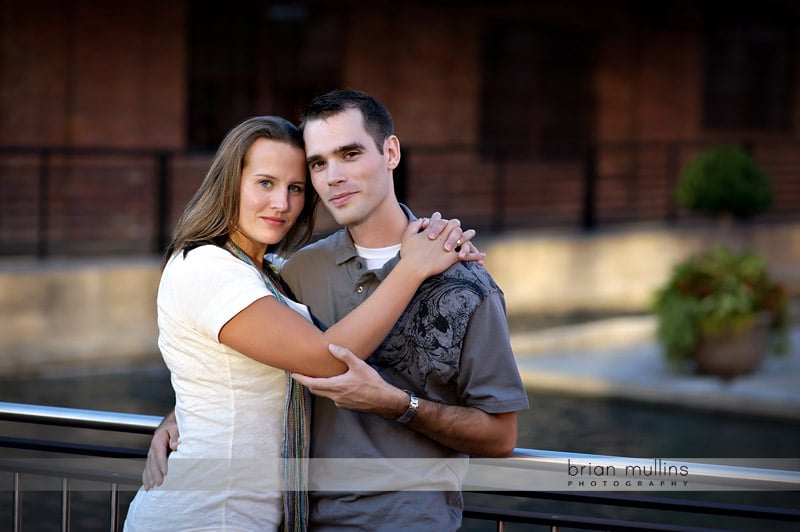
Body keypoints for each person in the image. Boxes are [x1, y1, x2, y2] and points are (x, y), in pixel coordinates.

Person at [123, 115, 479, 531]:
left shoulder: (265, 271)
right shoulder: (208, 267)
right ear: (229, 183)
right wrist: (411, 268)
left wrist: (179, 413)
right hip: (203, 515)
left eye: (295, 188)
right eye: (265, 183)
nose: (282, 204)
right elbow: (324, 362)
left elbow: (230, 374)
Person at [282, 89, 530, 530]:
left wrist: (397, 404)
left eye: (350, 153)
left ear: (391, 151)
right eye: (318, 163)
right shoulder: (298, 272)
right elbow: (252, 366)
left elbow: (500, 435)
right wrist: (178, 416)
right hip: (298, 521)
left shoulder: (465, 282)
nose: (333, 177)